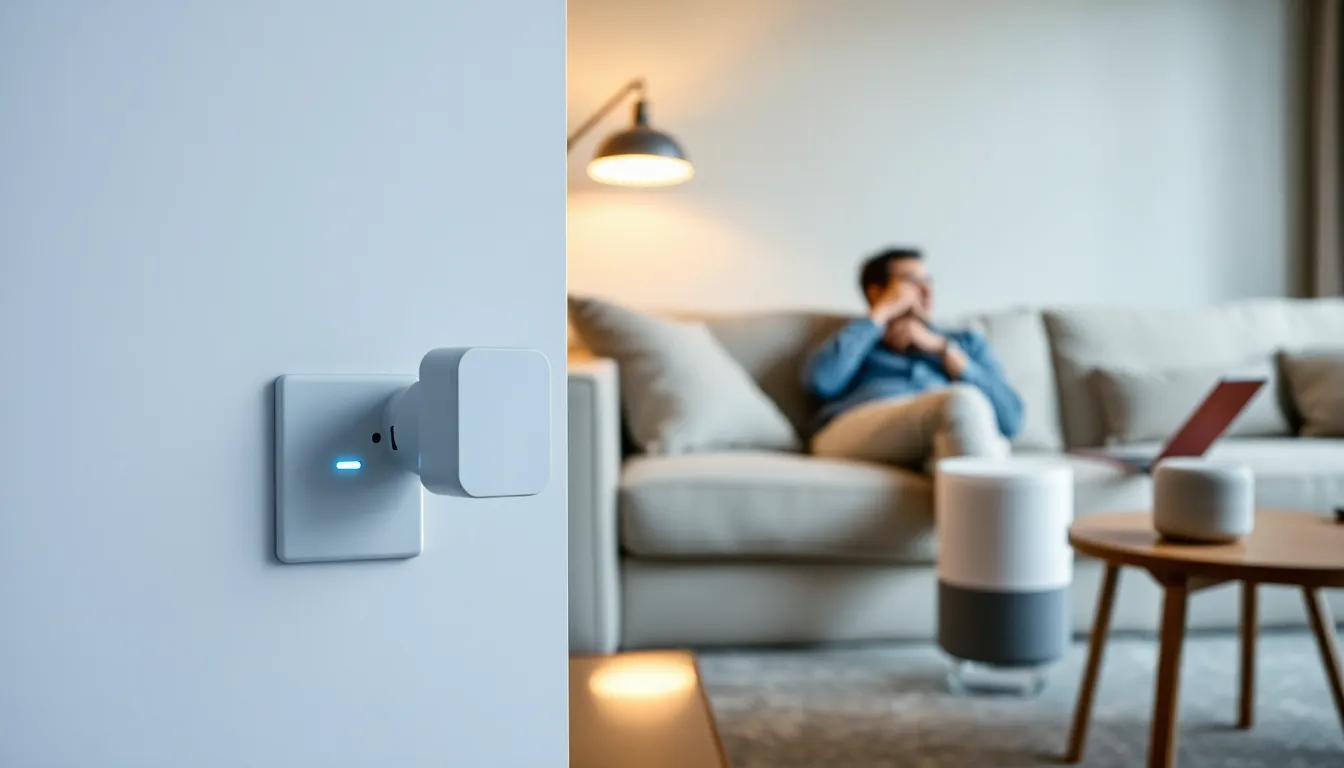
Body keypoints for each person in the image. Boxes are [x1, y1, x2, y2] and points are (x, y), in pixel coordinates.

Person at [803, 247, 1023, 472]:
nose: (927, 291)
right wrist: (878, 316)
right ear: (876, 292)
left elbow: (1011, 419)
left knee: (960, 435)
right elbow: (821, 382)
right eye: (912, 282)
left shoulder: (964, 342)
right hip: (860, 426)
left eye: (928, 281)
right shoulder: (855, 338)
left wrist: (944, 349)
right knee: (961, 403)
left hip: (945, 430)